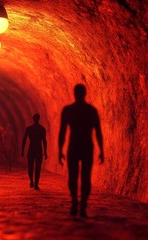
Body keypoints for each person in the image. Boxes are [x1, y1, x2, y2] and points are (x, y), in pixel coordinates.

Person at [58, 84, 104, 218]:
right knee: (85, 177)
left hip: (73, 146)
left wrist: (60, 150)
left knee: (73, 176)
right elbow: (98, 132)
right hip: (87, 146)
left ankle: (74, 203)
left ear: (74, 93)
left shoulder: (68, 110)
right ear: (85, 93)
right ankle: (82, 206)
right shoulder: (91, 110)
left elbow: (62, 132)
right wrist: (102, 150)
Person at [21, 114, 47, 190]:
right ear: (39, 118)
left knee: (30, 167)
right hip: (39, 149)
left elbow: (24, 140)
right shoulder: (42, 129)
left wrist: (22, 150)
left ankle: (31, 180)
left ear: (33, 119)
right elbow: (44, 141)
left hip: (31, 149)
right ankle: (36, 184)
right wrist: (45, 152)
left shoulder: (29, 128)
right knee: (38, 168)